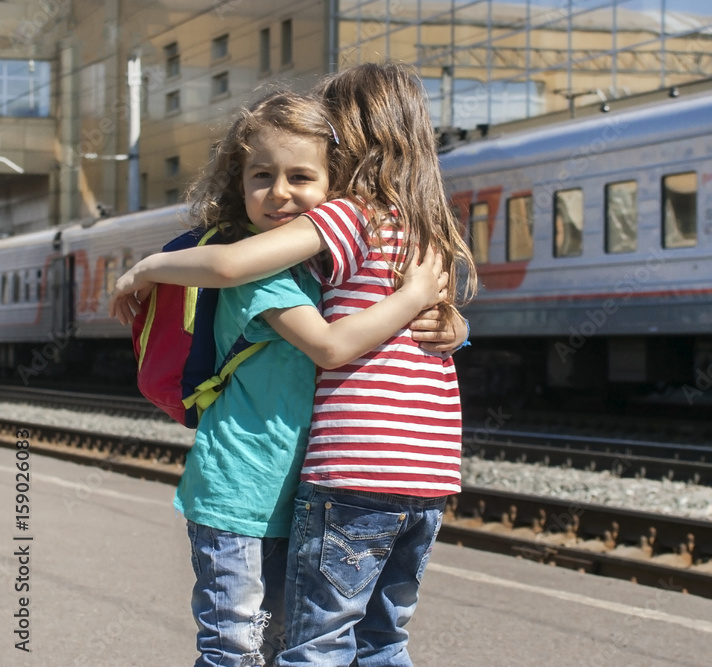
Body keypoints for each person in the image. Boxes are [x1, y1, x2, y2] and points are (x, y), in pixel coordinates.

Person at [109, 63, 476, 665]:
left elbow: (360, 331)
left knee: (304, 644)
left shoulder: (345, 227)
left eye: (308, 169)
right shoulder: (408, 234)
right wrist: (435, 314)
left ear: (347, 151)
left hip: (334, 476)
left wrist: (447, 323)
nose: (282, 193)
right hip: (300, 485)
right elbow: (252, 282)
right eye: (264, 176)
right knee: (322, 644)